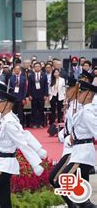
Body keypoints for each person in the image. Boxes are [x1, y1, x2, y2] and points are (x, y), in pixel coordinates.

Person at [0, 87, 44, 208]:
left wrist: (35, 164)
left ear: (7, 105)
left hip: (6, 164)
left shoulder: (9, 123)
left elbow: (22, 143)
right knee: (4, 199)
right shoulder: (1, 118)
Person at [49, 77, 81, 207]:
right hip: (68, 147)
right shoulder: (72, 104)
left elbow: (80, 127)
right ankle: (76, 204)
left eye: (68, 89)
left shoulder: (79, 106)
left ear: (75, 89)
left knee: (56, 178)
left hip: (75, 149)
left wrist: (71, 135)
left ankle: (74, 204)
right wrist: (63, 134)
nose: (66, 92)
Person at [27, 62, 49, 128]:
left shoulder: (44, 75)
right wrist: (29, 95)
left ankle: (41, 123)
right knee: (34, 109)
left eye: (38, 66)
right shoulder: (31, 75)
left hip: (41, 95)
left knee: (41, 109)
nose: (37, 67)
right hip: (33, 95)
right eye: (36, 66)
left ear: (40, 67)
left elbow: (46, 86)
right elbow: (29, 86)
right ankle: (34, 123)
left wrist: (46, 94)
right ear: (34, 67)